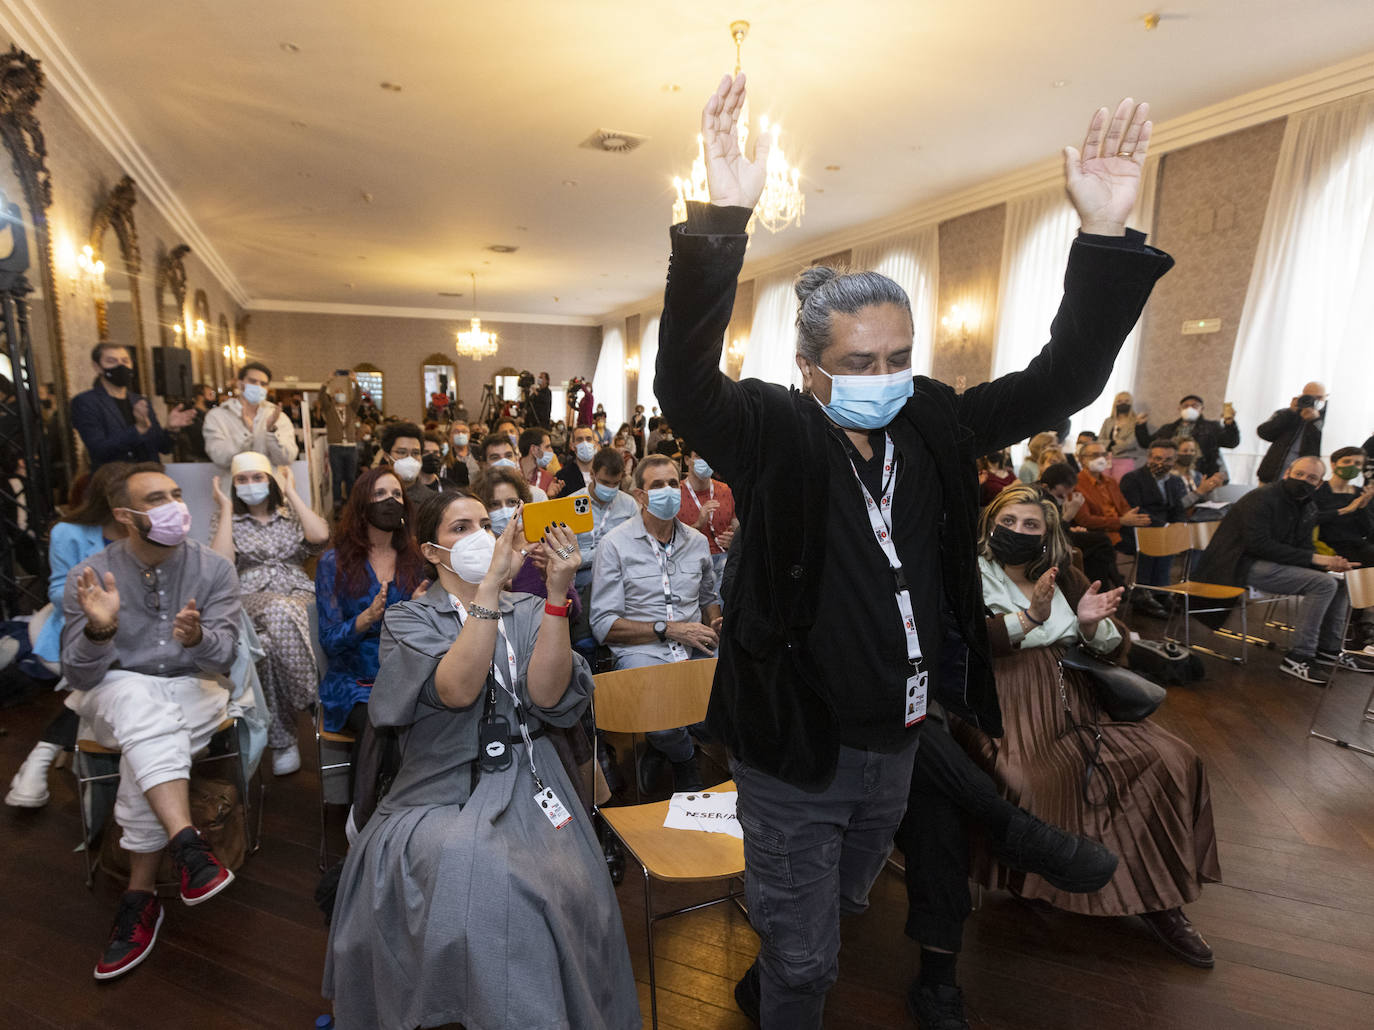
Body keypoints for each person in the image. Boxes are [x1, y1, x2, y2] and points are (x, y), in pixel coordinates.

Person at [655, 75, 1171, 1029]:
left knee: (842, 911)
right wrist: (722, 217)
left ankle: (776, 970)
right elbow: (685, 385)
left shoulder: (931, 420)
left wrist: (1102, 236)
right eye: (860, 363)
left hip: (900, 744)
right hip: (796, 749)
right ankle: (784, 986)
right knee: (809, 962)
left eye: (900, 356)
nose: (886, 379)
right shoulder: (776, 430)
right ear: (812, 372)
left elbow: (1063, 379)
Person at [322, 492, 639, 1029]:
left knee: (570, 888)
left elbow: (546, 694)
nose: (479, 536)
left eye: (486, 525)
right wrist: (489, 588)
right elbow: (458, 689)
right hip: (441, 784)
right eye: (459, 527)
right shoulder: (410, 619)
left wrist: (559, 595)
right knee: (497, 881)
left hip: (532, 775)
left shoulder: (534, 610)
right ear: (433, 551)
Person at [950, 486, 1220, 968]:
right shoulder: (966, 574)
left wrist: (1094, 626)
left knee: (1169, 759)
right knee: (1030, 779)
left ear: (1047, 534)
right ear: (990, 522)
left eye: (1031, 525)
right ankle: (1042, 880)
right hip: (1001, 702)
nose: (1018, 531)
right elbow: (961, 643)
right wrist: (1029, 617)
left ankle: (1162, 902)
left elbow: (1105, 649)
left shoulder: (1067, 575)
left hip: (1077, 697)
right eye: (1008, 521)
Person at [60, 462, 240, 980]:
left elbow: (222, 657)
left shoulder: (214, 570)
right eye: (156, 499)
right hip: (115, 690)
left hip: (194, 686)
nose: (174, 507)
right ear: (125, 515)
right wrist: (102, 630)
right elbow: (78, 673)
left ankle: (142, 896)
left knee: (150, 730)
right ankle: (187, 845)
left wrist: (196, 640)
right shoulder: (91, 575)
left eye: (176, 494)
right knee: (140, 700)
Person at [590, 454, 721, 793]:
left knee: (724, 706)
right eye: (657, 485)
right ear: (640, 496)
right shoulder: (614, 545)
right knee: (661, 718)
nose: (669, 491)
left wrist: (716, 620)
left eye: (673, 484)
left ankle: (670, 743)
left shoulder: (696, 542)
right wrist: (669, 629)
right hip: (644, 649)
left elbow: (708, 597)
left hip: (695, 644)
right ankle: (681, 757)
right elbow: (603, 624)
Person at [6, 462, 130, 809]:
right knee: (103, 673)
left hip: (135, 631)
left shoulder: (143, 529)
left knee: (109, 676)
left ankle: (41, 757)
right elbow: (58, 592)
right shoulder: (70, 532)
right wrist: (96, 603)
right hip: (77, 627)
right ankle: (45, 758)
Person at [1192, 456, 1370, 682]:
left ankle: (1329, 650)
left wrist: (1329, 564)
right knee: (1323, 584)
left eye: (1311, 477)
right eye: (1299, 474)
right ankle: (1298, 656)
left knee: (1340, 580)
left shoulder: (1307, 504)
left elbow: (1303, 544)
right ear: (1287, 474)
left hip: (1272, 562)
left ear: (1319, 483)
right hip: (1237, 563)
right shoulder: (1261, 498)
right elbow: (1258, 545)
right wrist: (1316, 559)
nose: (1304, 480)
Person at [210, 452, 329, 774]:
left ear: (270, 480)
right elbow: (221, 564)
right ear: (234, 485)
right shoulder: (228, 520)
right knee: (278, 610)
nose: (251, 485)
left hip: (299, 593)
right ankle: (314, 700)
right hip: (252, 598)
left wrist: (291, 490)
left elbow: (319, 536)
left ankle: (284, 741)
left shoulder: (290, 515)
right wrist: (225, 509)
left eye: (258, 477)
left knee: (271, 646)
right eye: (242, 479)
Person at [315, 468, 426, 735]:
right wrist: (366, 618)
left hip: (408, 674)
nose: (391, 500)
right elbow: (329, 641)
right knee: (379, 720)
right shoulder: (334, 562)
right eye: (380, 493)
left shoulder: (417, 559)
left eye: (397, 494)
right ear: (363, 506)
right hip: (354, 679)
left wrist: (417, 611)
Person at [70, 343, 193, 468]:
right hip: (115, 480)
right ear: (97, 367)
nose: (121, 366)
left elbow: (162, 448)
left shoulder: (140, 400)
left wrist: (171, 429)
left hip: (149, 476)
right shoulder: (86, 402)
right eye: (112, 361)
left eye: (125, 361)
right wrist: (138, 429)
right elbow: (99, 449)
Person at [1317, 447, 1374, 650]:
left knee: (1368, 555)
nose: (1352, 467)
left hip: (1356, 544)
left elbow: (1367, 529)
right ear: (1334, 464)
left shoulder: (1360, 493)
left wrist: (1363, 507)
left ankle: (1360, 621)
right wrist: (1346, 510)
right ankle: (1360, 622)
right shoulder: (1319, 490)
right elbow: (1313, 519)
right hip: (1326, 545)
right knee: (1367, 559)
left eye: (1358, 464)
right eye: (1347, 461)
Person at [203, 362, 299, 472]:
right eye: (252, 381)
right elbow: (220, 457)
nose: (258, 387)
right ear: (240, 384)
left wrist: (271, 431)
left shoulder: (278, 417)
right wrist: (246, 434)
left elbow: (286, 459)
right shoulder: (217, 416)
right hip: (234, 485)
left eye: (263, 384)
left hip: (270, 485)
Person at [1119, 438, 1189, 586]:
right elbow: (1137, 509)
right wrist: (1165, 527)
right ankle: (1145, 592)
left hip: (1166, 529)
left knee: (1177, 538)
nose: (1162, 463)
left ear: (1175, 460)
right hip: (1139, 528)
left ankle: (1161, 592)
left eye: (1168, 459)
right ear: (1149, 458)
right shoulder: (1132, 479)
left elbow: (1178, 508)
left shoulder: (1175, 481)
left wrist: (1179, 524)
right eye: (1157, 458)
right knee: (1158, 540)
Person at [679, 447, 738, 593]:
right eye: (699, 456)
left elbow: (738, 527)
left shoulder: (726, 490)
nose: (705, 460)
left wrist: (735, 541)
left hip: (724, 558)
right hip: (690, 559)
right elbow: (671, 540)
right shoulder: (676, 493)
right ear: (687, 460)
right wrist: (698, 525)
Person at [1073, 437, 1151, 548]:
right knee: (1146, 546)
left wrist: (1131, 517)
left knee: (1153, 536)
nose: (1100, 459)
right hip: (1100, 534)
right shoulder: (1076, 484)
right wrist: (1120, 521)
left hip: (1121, 528)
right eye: (1095, 455)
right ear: (1081, 459)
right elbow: (1085, 520)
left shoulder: (1111, 482)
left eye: (1104, 455)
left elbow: (1124, 507)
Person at [1145, 395, 1238, 478]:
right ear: (1179, 409)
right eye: (1185, 406)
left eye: (1195, 406)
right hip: (1171, 473)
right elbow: (1147, 443)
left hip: (1202, 473)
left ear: (1201, 409)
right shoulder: (1169, 428)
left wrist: (1230, 424)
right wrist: (1140, 426)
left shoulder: (1212, 427)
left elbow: (1231, 443)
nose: (1190, 409)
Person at [1256, 381, 1327, 484]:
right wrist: (1290, 412)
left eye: (1319, 398)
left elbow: (1324, 445)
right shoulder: (1286, 413)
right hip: (1272, 476)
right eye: (1309, 397)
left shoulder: (1328, 420)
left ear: (1326, 398)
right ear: (1301, 396)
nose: (1313, 401)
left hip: (1304, 480)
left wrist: (1315, 421)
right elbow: (1264, 433)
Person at [322, 372, 362, 510]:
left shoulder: (351, 409)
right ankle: (337, 505)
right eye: (337, 392)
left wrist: (354, 382)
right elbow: (322, 397)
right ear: (333, 397)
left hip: (351, 447)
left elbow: (358, 397)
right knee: (337, 478)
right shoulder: (329, 410)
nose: (340, 394)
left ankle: (351, 505)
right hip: (336, 448)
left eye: (342, 392)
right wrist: (328, 381)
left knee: (351, 478)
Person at [374, 421, 428, 509]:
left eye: (415, 453)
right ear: (387, 456)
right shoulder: (373, 495)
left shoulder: (431, 500)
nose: (409, 458)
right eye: (402, 452)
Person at [1097, 390, 1149, 469]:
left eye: (1126, 401)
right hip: (1106, 458)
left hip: (1126, 459)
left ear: (1131, 403)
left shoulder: (1136, 421)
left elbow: (1131, 443)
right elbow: (1100, 440)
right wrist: (1113, 442)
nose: (1123, 403)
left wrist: (1109, 446)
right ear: (1115, 403)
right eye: (1119, 401)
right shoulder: (1108, 421)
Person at [551, 423, 599, 497]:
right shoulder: (562, 477)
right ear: (572, 446)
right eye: (580, 439)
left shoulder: (606, 472)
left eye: (588, 439)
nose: (585, 443)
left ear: (595, 444)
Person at [173, 383, 217, 462]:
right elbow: (201, 441)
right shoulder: (193, 416)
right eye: (210, 394)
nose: (214, 398)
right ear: (200, 397)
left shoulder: (210, 414)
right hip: (199, 461)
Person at [518, 427, 557, 495]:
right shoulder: (510, 472)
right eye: (547, 447)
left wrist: (549, 498)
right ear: (534, 449)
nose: (551, 451)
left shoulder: (548, 478)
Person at [445, 418, 480, 486]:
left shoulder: (478, 450)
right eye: (456, 431)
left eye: (464, 432)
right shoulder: (446, 454)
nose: (460, 434)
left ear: (469, 435)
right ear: (449, 436)